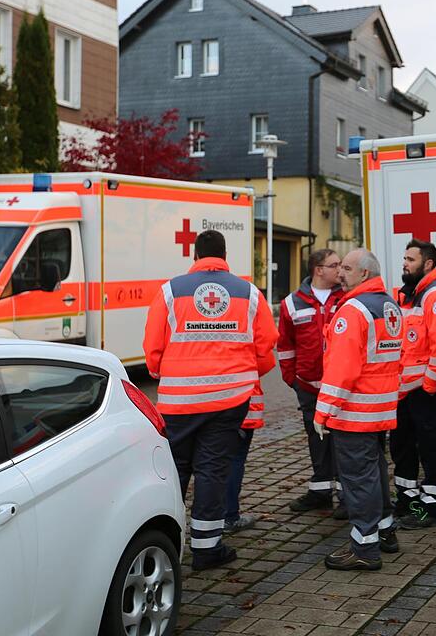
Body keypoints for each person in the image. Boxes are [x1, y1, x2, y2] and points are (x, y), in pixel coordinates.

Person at [143, 229, 277, 569]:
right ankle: (206, 547)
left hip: (178, 402)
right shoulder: (249, 293)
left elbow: (153, 348)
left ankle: (167, 545)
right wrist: (244, 374)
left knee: (175, 470)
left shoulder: (170, 291)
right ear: (224, 254)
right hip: (231, 398)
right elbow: (265, 350)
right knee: (214, 469)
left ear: (195, 256)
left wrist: (164, 372)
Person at [316, 249, 400, 570]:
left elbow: (342, 368)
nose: (341, 274)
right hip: (380, 409)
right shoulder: (389, 306)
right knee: (375, 471)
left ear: (364, 274)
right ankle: (384, 530)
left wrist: (323, 412)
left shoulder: (353, 310)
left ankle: (364, 549)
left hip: (354, 412)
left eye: (348, 268)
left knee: (358, 479)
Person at [391, 239, 436, 529]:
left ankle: (430, 508)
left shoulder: (435, 297)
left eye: (411, 260)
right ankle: (407, 501)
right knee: (402, 446)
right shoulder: (409, 296)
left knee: (431, 448)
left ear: (428, 264)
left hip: (425, 390)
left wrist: (430, 386)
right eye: (404, 258)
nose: (405, 264)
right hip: (406, 390)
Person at [278, 249, 348, 515]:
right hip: (308, 386)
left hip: (339, 386)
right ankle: (320, 491)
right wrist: (292, 379)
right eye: (335, 265)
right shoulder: (292, 303)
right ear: (319, 270)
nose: (340, 270)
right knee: (316, 439)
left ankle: (346, 496)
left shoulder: (346, 299)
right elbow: (285, 346)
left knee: (341, 439)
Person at [223, 384, 265, 534]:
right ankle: (229, 517)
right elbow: (264, 362)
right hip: (238, 404)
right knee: (233, 460)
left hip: (185, 407)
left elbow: (155, 369)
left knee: (195, 464)